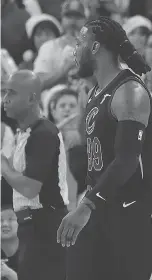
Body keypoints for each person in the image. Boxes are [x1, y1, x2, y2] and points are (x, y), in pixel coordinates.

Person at [56, 16, 152, 280]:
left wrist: (86, 205)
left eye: (79, 42)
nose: (74, 50)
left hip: (134, 209)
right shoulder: (95, 92)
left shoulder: (129, 91)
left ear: (95, 47)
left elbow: (128, 160)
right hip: (103, 206)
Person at [1, 70, 69, 280]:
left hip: (46, 225)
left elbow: (30, 188)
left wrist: (3, 166)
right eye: (4, 93)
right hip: (31, 224)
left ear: (31, 98)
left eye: (11, 93)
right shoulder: (25, 132)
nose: (5, 100)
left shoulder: (43, 133)